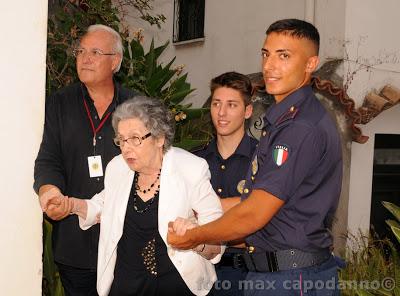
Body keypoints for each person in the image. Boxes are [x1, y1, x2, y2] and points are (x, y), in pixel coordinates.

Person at [168, 18, 343, 296]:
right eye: (266, 54)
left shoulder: (299, 127)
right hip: (276, 275)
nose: (270, 66)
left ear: (311, 64)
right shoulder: (285, 121)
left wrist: (191, 237)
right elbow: (252, 203)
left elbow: (253, 213)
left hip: (290, 279)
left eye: (284, 55)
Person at [66, 96, 224, 296]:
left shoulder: (190, 169)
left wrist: (195, 237)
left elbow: (218, 240)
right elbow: (103, 204)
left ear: (159, 138)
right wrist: (71, 205)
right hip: (125, 285)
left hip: (176, 285)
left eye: (135, 139)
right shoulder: (117, 168)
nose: (126, 148)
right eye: (121, 140)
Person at [34, 24, 137, 295]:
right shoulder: (59, 103)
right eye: (81, 51)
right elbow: (48, 159)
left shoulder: (136, 107)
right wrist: (50, 194)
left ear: (115, 62)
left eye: (95, 52)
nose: (85, 58)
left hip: (125, 244)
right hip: (74, 244)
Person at [192, 72, 258, 296]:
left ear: (247, 111)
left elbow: (260, 214)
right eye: (216, 104)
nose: (221, 113)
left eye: (231, 105)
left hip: (246, 274)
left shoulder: (263, 161)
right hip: (198, 270)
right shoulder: (193, 161)